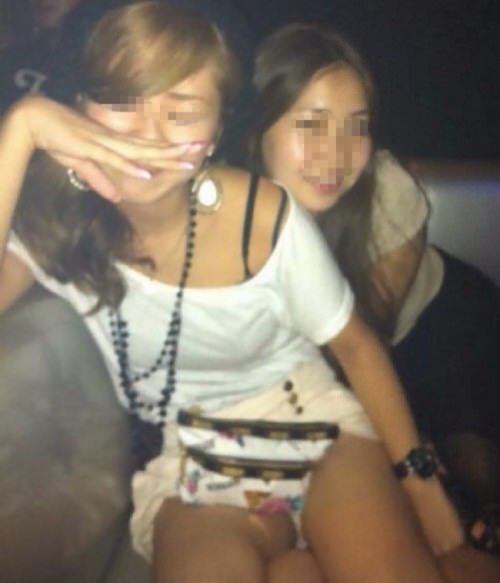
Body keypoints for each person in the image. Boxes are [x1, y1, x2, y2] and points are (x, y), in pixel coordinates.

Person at [0, 3, 474, 581]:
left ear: (215, 133)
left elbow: (355, 345)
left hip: (318, 425)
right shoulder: (53, 227)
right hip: (194, 460)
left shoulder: (261, 215)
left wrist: (424, 489)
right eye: (123, 100)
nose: (148, 133)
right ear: (78, 108)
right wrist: (21, 129)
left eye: (182, 111)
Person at [250, 22, 500, 557]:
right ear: (259, 126)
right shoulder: (234, 211)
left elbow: (368, 339)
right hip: (347, 363)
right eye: (312, 124)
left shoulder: (385, 190)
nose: (337, 154)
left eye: (356, 127)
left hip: (441, 325)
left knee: (474, 481)